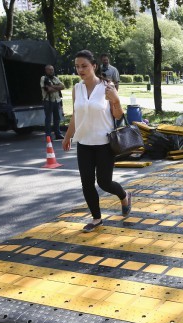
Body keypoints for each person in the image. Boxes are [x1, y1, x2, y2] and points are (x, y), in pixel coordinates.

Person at [62, 50, 132, 232]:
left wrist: (116, 100)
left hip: (104, 144)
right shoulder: (76, 89)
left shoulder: (107, 87)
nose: (80, 70)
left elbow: (118, 115)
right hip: (84, 143)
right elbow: (75, 117)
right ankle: (96, 218)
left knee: (104, 183)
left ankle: (124, 195)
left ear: (94, 66)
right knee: (86, 183)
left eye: (84, 66)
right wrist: (68, 136)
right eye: (77, 66)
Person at [40, 65, 65, 140]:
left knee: (57, 118)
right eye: (49, 69)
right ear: (46, 70)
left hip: (56, 100)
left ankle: (58, 134)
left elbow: (63, 86)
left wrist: (52, 86)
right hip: (48, 101)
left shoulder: (55, 78)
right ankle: (48, 135)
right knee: (48, 119)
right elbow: (48, 90)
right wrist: (57, 87)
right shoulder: (43, 78)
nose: (51, 71)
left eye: (52, 69)